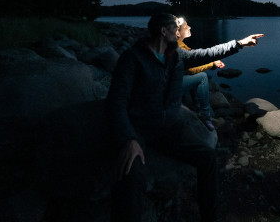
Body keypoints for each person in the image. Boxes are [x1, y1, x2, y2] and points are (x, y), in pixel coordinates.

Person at [105, 12, 263, 222]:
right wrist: (128, 139)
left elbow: (207, 53)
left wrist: (239, 43)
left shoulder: (177, 55)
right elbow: (116, 102)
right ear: (164, 31)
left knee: (207, 158)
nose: (179, 32)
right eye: (175, 28)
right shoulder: (132, 59)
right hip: (140, 128)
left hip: (169, 127)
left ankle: (210, 216)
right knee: (129, 176)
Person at [176, 16, 223, 131]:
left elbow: (193, 60)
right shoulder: (177, 47)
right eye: (186, 26)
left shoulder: (180, 44)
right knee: (202, 77)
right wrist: (212, 64)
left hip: (173, 80)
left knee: (196, 77)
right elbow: (190, 69)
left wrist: (211, 61)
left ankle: (196, 104)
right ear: (177, 32)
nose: (189, 27)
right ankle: (206, 116)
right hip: (170, 86)